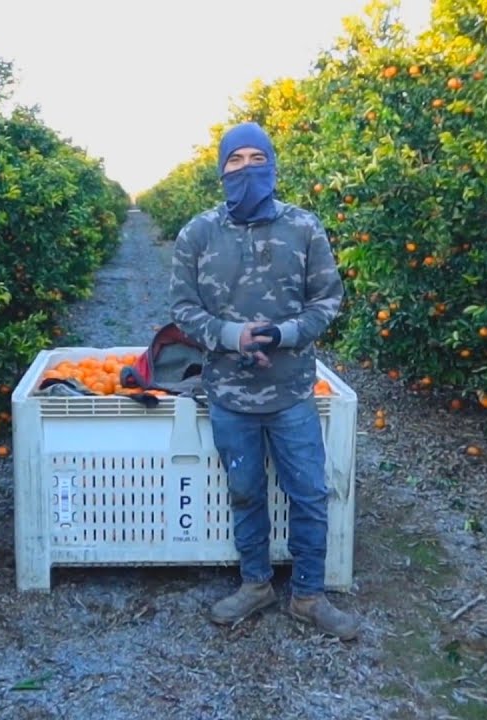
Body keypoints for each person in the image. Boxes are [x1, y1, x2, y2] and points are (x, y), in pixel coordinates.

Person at [169, 121, 358, 641]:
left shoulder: (303, 227)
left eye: (257, 157)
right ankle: (255, 584)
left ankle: (309, 594)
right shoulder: (197, 233)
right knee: (246, 491)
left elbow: (329, 299)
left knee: (309, 493)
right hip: (228, 392)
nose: (247, 168)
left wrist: (287, 333)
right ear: (221, 169)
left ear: (272, 164)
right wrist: (231, 335)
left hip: (292, 389)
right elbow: (182, 309)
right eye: (236, 160)